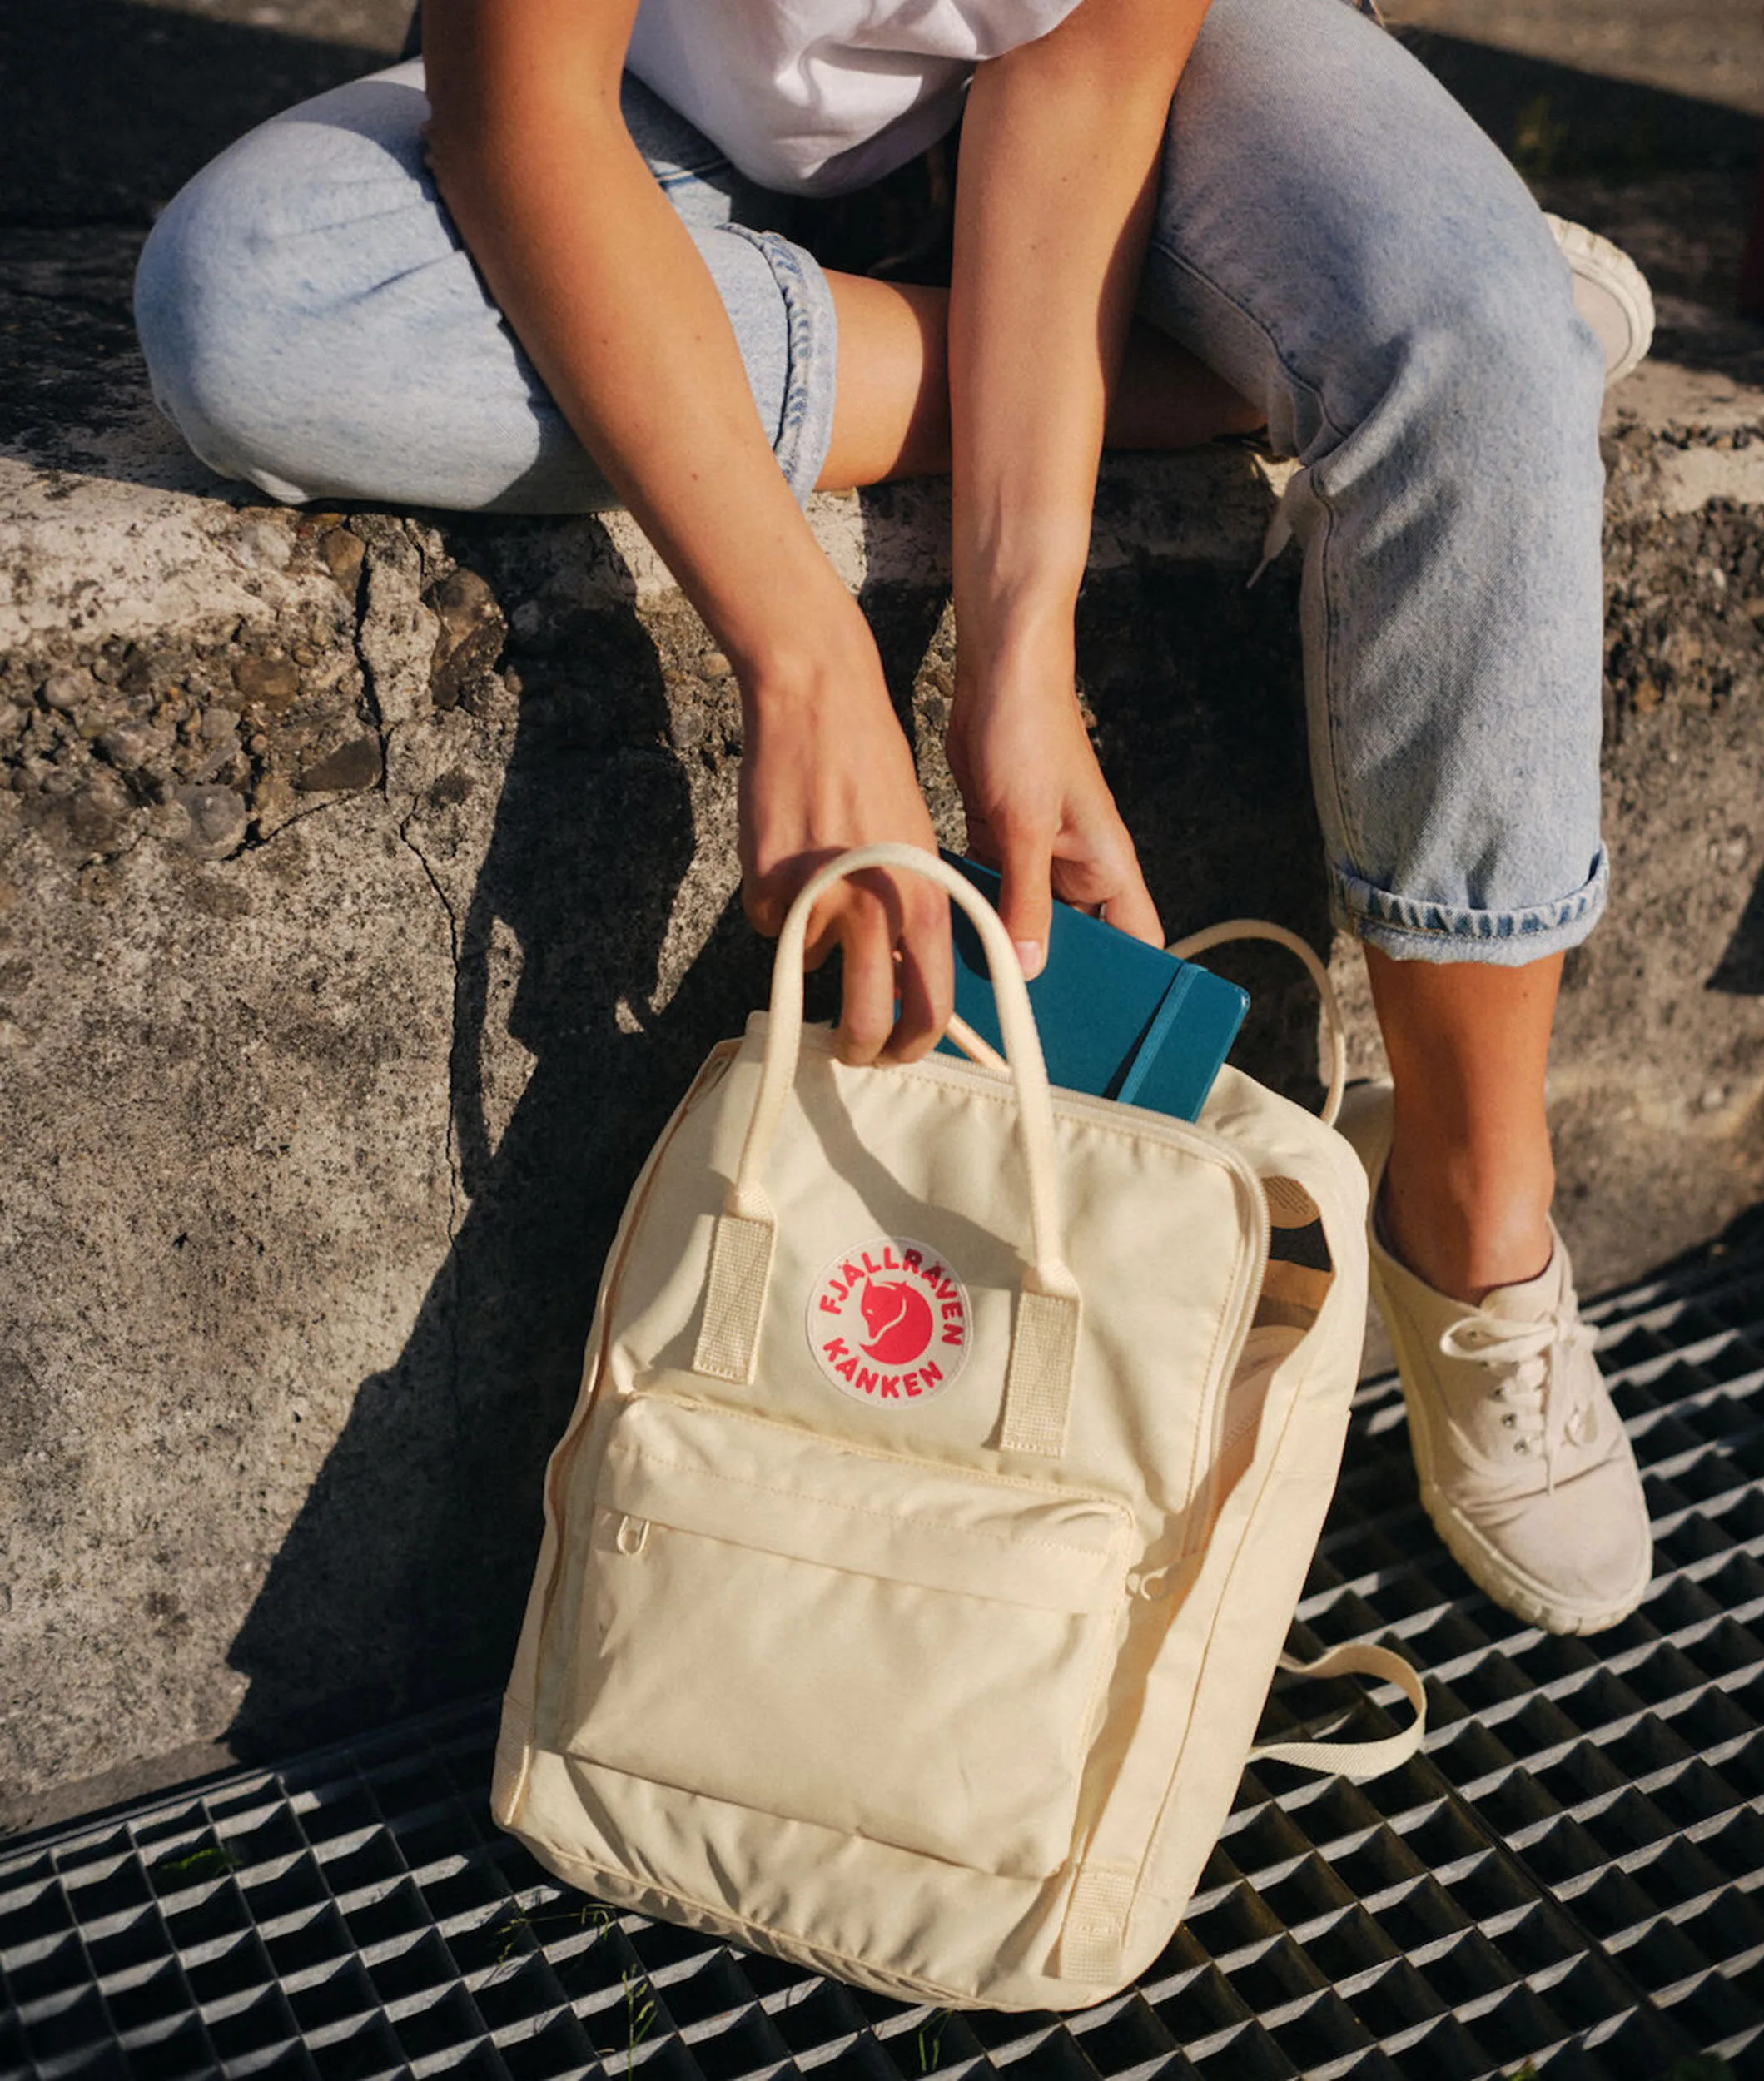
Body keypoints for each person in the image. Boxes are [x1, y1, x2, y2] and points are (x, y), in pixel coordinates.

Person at [133, 0, 1654, 1634]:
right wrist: (802, 656)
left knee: (1485, 342)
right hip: (663, 110)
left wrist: (1019, 642)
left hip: (1157, 106)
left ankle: (1471, 1219)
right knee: (262, 309)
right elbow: (524, 122)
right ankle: (1195, 382)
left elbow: (1076, 68)